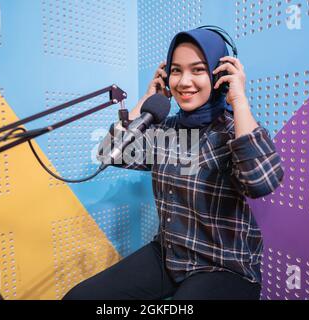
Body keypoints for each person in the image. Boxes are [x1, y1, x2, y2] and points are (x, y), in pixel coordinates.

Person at [63, 28, 284, 300]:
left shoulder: (232, 131)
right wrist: (148, 99)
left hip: (223, 266)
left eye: (198, 70)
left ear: (220, 75)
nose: (184, 82)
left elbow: (261, 181)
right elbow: (111, 152)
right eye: (176, 71)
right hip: (170, 256)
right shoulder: (168, 130)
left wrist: (238, 99)